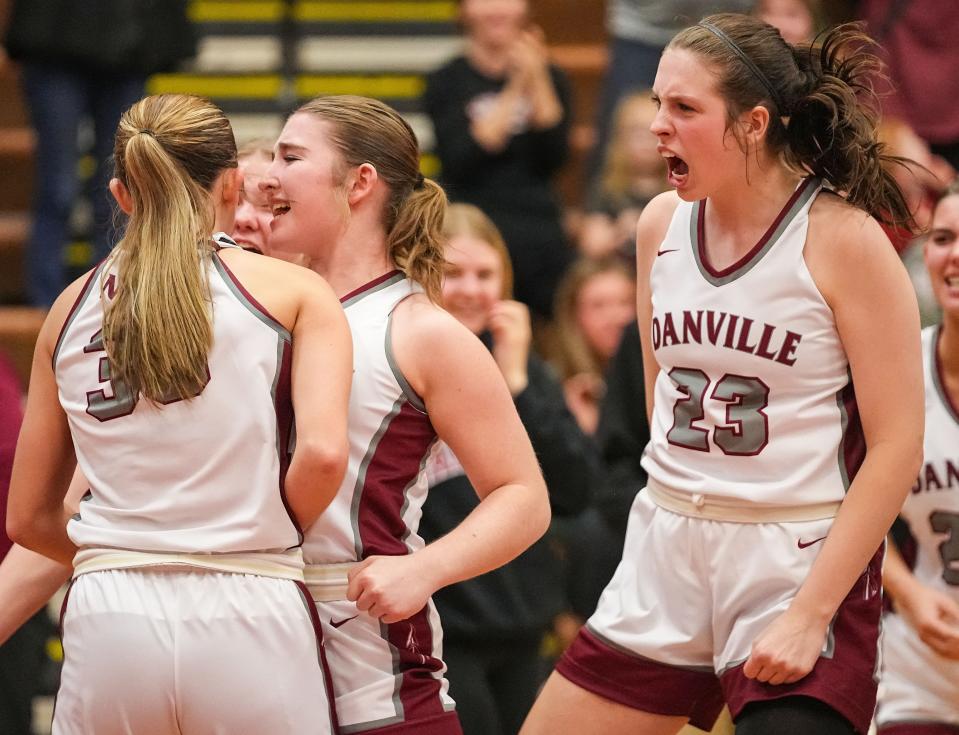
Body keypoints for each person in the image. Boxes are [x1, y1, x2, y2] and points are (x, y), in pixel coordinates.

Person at [522, 13, 924, 735]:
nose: (656, 126)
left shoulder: (844, 240)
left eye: (682, 108)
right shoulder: (658, 225)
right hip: (667, 547)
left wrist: (809, 615)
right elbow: (657, 390)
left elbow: (895, 446)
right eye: (654, 104)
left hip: (793, 558)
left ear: (753, 123)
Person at [6, 93, 353, 734]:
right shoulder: (295, 292)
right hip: (250, 597)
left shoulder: (67, 307)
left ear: (120, 193)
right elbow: (326, 455)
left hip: (111, 611)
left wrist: (118, 549)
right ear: (230, 183)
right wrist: (260, 533)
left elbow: (27, 516)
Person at [259, 94, 551, 735]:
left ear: (360, 183)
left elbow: (523, 496)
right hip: (244, 634)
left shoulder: (423, 331)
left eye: (291, 156)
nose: (268, 176)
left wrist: (426, 569)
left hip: (365, 658)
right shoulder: (257, 304)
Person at [419, 202, 596, 735]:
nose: (471, 289)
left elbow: (575, 489)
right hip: (443, 628)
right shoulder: (403, 367)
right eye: (454, 274)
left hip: (523, 623)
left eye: (486, 275)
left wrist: (516, 380)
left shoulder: (526, 368)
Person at [3, 0, 196, 307]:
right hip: (57, 43)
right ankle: (47, 302)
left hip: (124, 47)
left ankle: (108, 295)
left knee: (116, 186)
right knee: (60, 187)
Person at [423, 0, 573, 320]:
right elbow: (464, 155)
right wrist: (517, 85)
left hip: (537, 224)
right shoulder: (446, 80)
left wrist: (537, 77)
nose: (497, 8)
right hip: (474, 220)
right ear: (463, 11)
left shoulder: (551, 77)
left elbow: (555, 154)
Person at [874, 182, 959, 735]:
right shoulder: (896, 373)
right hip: (920, 672)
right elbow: (836, 508)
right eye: (945, 238)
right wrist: (906, 591)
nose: (955, 255)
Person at [549, 256, 636, 435]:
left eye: (625, 303)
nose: (616, 317)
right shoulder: (553, 387)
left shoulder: (658, 381)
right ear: (574, 317)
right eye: (599, 306)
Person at [580, 92, 668, 259]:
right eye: (638, 135)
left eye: (655, 135)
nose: (647, 143)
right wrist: (620, 231)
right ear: (621, 139)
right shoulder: (608, 190)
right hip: (620, 270)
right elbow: (592, 245)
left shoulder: (679, 190)